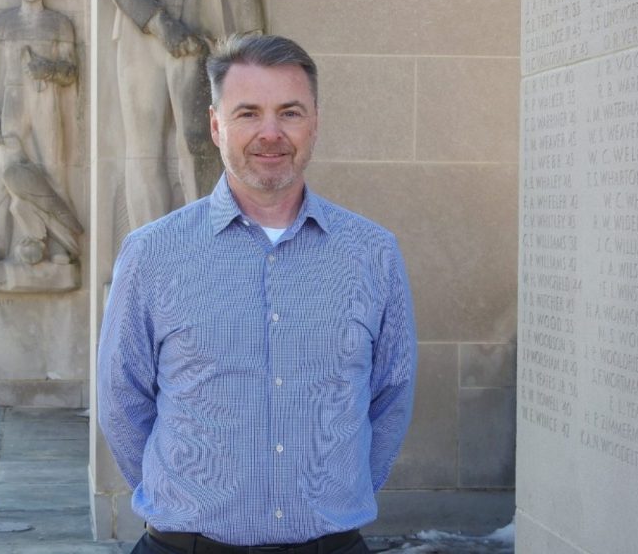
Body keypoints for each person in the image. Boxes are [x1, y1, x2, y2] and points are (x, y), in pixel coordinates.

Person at [98, 34, 417, 554]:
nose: (271, 133)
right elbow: (122, 403)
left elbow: (390, 398)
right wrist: (185, 501)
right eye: (248, 113)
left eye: (289, 112)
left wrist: (330, 500)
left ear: (315, 120)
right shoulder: (152, 254)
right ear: (216, 124)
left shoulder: (372, 254)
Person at [99, 0, 263, 230]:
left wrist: (255, 37)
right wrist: (160, 23)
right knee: (143, 150)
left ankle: (207, 240)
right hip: (140, 33)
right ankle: (149, 249)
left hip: (196, 30)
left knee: (199, 143)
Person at [0, 0, 82, 266]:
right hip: (13, 100)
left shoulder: (59, 24)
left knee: (54, 171)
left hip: (45, 101)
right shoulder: (3, 24)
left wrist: (48, 68)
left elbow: (71, 71)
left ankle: (60, 244)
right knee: (4, 174)